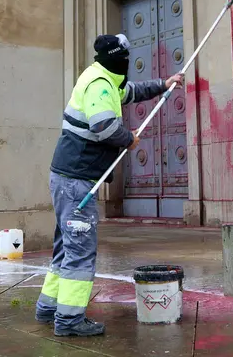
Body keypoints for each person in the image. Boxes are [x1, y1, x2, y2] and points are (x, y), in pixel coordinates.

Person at [35, 33, 184, 337]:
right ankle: (69, 320)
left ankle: (48, 307)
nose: (127, 66)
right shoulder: (99, 85)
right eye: (125, 60)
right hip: (76, 181)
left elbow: (130, 91)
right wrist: (128, 139)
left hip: (69, 178)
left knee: (66, 247)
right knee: (79, 252)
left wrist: (162, 84)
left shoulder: (104, 78)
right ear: (119, 60)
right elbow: (103, 126)